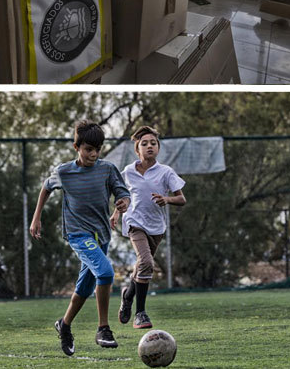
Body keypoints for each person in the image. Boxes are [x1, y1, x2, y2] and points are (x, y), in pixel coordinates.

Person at [29, 120, 130, 356]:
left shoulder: (107, 169)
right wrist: (36, 218)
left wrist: (123, 202)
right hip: (77, 233)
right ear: (77, 147)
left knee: (84, 286)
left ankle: (64, 325)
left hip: (101, 234)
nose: (93, 154)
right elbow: (45, 188)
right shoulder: (65, 172)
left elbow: (122, 192)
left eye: (97, 149)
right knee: (105, 273)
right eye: (88, 149)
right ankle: (103, 329)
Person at [113, 126, 186, 330]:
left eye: (153, 143)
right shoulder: (128, 171)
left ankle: (127, 296)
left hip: (157, 228)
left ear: (158, 148)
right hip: (135, 223)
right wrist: (117, 212)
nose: (149, 146)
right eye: (144, 144)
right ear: (137, 150)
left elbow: (182, 198)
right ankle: (140, 313)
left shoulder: (165, 172)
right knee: (146, 262)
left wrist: (166, 199)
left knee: (141, 268)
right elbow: (120, 194)